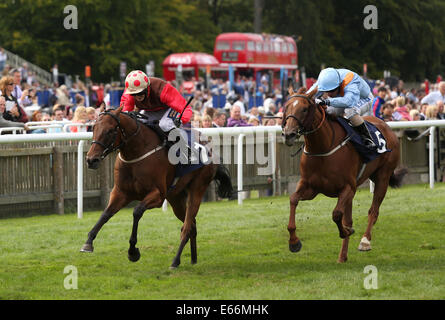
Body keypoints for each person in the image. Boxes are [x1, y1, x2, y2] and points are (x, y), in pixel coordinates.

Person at [120, 70, 193, 161]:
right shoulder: (129, 93)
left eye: (140, 92)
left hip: (169, 108)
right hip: (150, 110)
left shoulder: (162, 89)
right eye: (134, 94)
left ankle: (185, 149)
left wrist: (181, 119)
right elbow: (125, 113)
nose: (137, 96)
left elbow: (186, 108)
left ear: (147, 87)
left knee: (165, 125)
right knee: (140, 123)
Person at [308, 67, 376, 149]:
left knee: (350, 112)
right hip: (344, 97)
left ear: (339, 85)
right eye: (326, 91)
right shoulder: (326, 79)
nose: (329, 94)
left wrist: (326, 102)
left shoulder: (350, 80)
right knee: (329, 111)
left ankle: (368, 139)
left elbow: (349, 102)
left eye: (332, 91)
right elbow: (308, 93)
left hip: (362, 98)